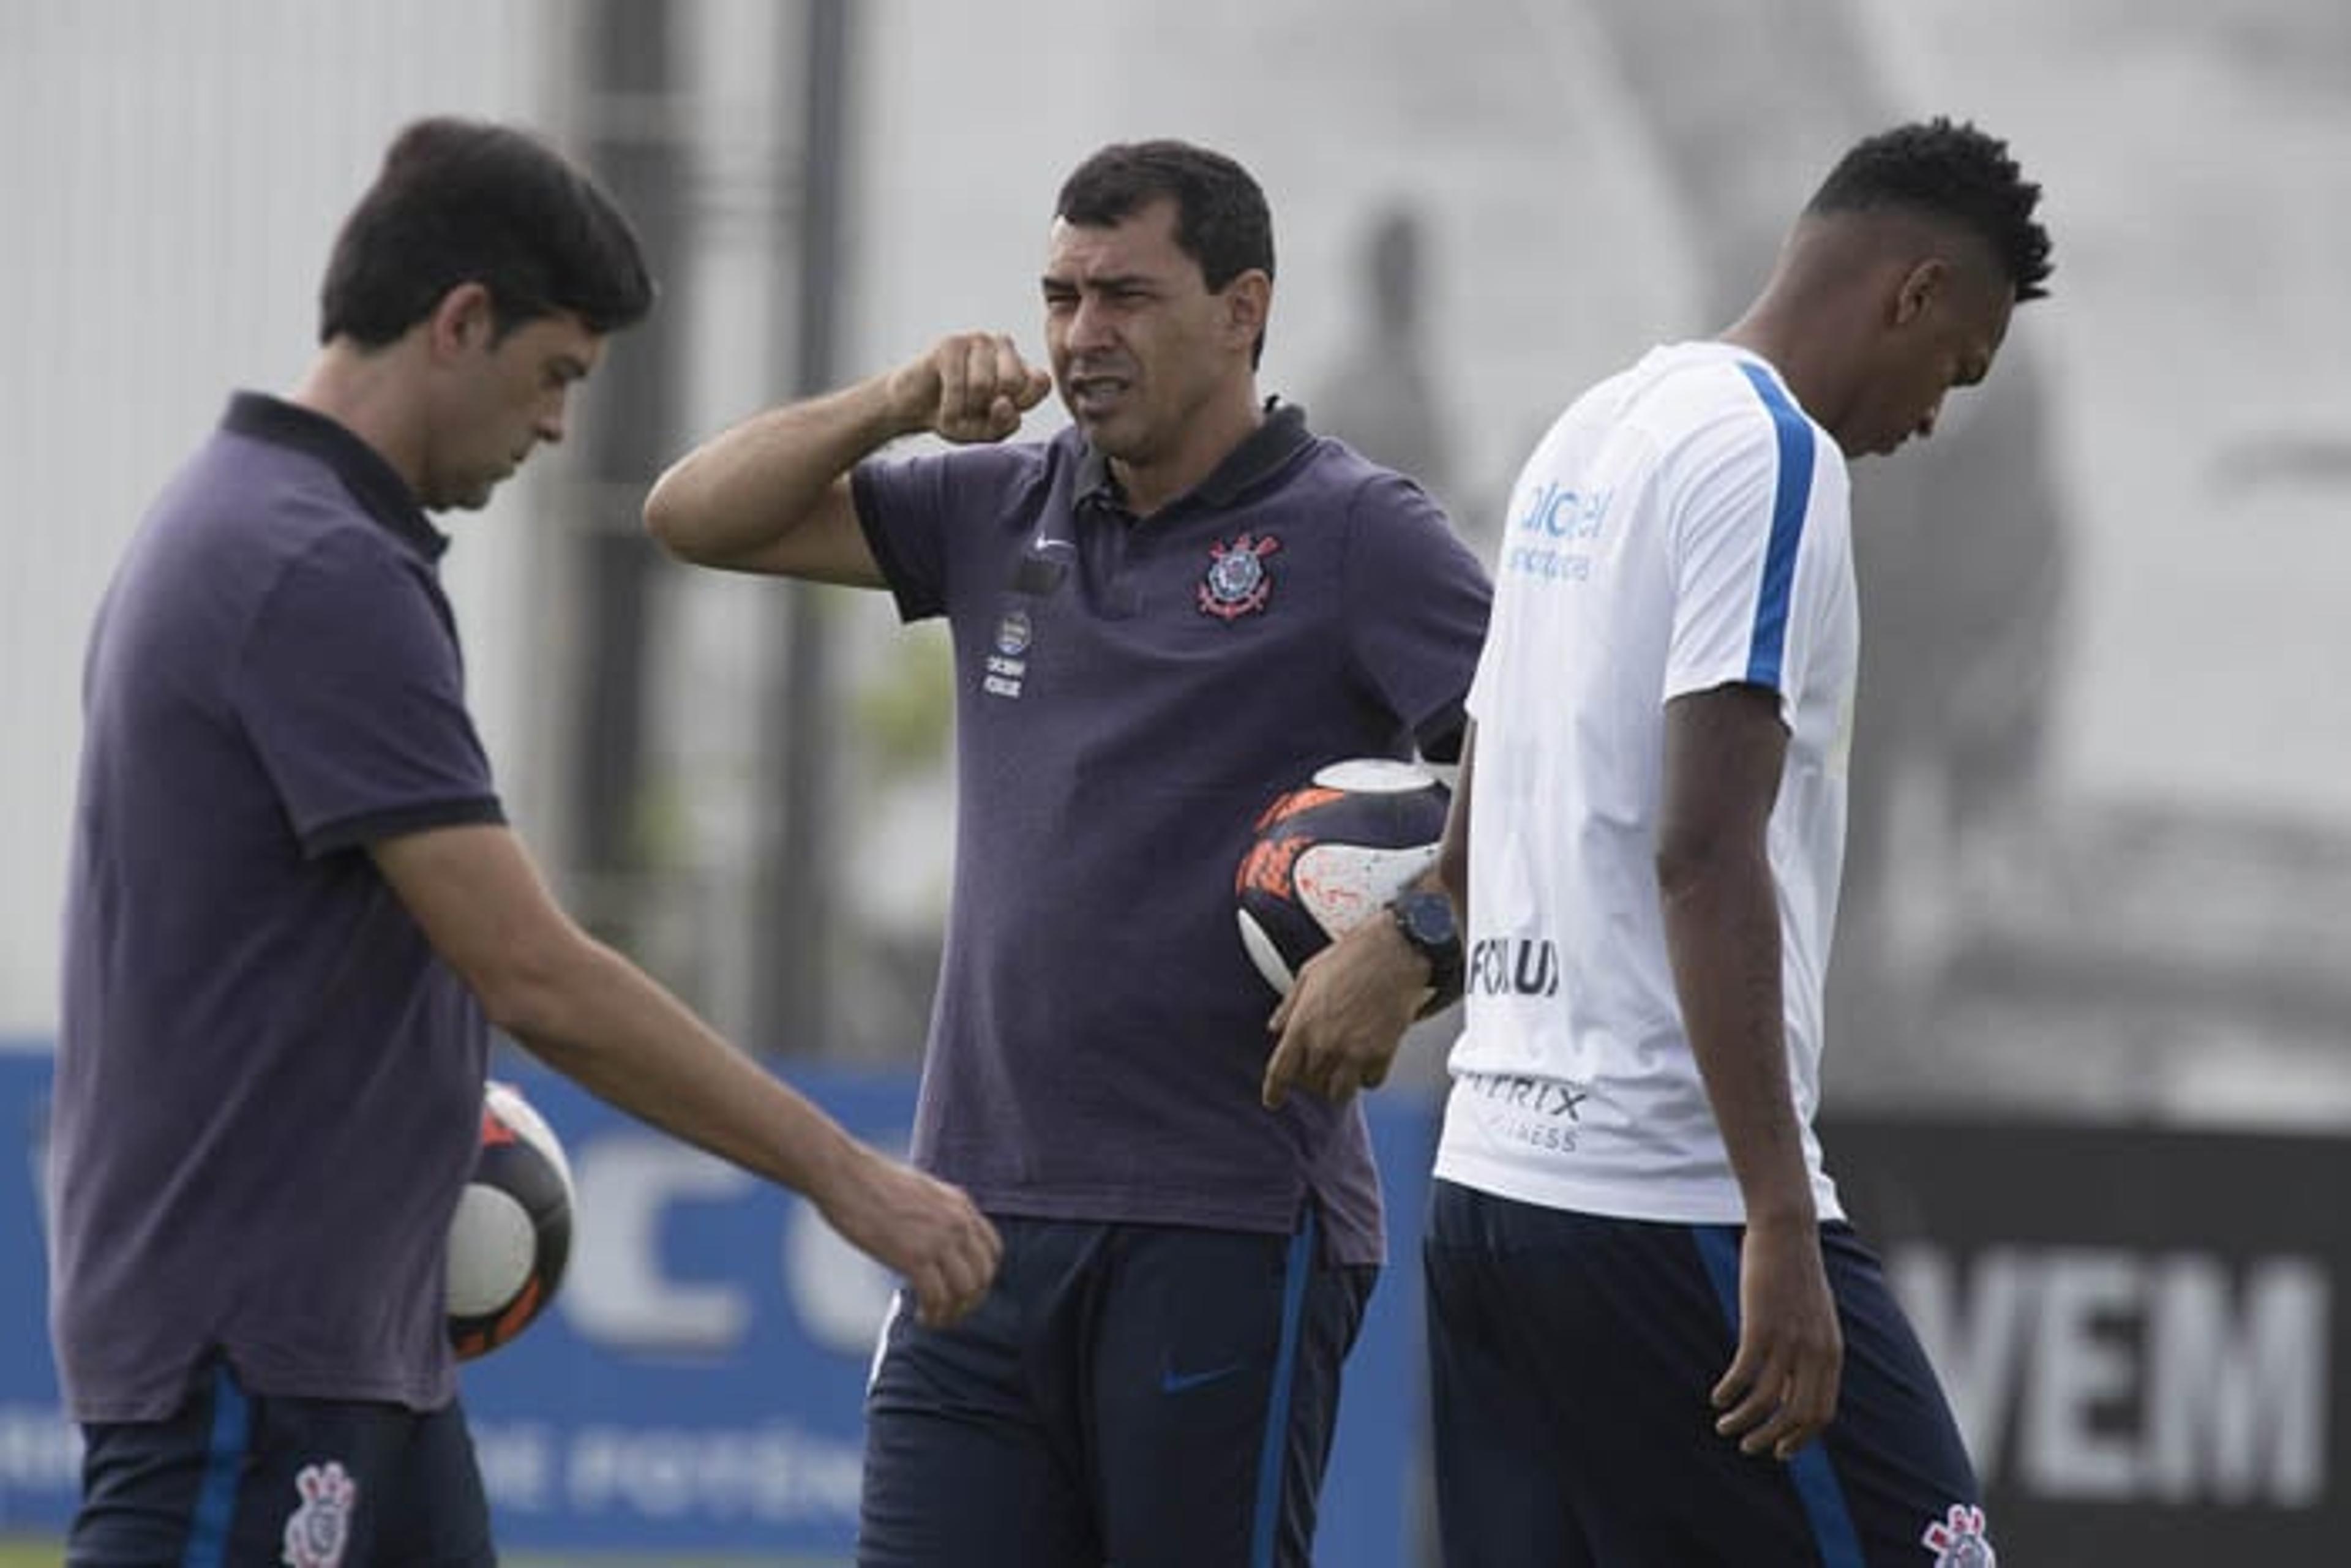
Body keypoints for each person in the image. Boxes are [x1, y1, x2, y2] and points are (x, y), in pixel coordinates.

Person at [48, 117, 1000, 1568]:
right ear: (459, 321)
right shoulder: (310, 565)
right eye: (553, 376)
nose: (556, 428)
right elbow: (534, 975)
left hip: (359, 1358)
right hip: (252, 1358)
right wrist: (847, 1177)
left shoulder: (269, 521)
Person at [645, 138, 1491, 1567]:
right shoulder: (999, 506)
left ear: (1243, 308)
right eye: (1061, 296)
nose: (1083, 336)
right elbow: (690, 514)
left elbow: (1553, 761)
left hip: (1225, 1222)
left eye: (1127, 297)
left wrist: (1418, 944)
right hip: (972, 1222)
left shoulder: (1356, 532)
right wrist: (902, 398)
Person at [1425, 117, 2052, 1566]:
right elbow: (1704, 845)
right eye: (1956, 369)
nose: (1934, 420)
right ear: (1913, 294)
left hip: (1489, 1198)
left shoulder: (1587, 428)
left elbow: (1487, 780)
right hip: (1668, 1196)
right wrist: (1776, 1212)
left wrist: (1410, 953)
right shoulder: (1772, 456)